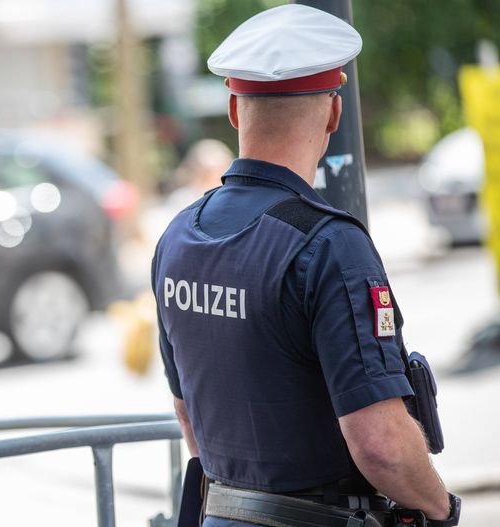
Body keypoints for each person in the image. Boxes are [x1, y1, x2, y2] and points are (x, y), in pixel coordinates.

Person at [151, 5, 460, 527]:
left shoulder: (178, 237)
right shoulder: (329, 244)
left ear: (234, 110)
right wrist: (441, 508)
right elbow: (380, 445)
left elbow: (188, 413)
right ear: (334, 115)